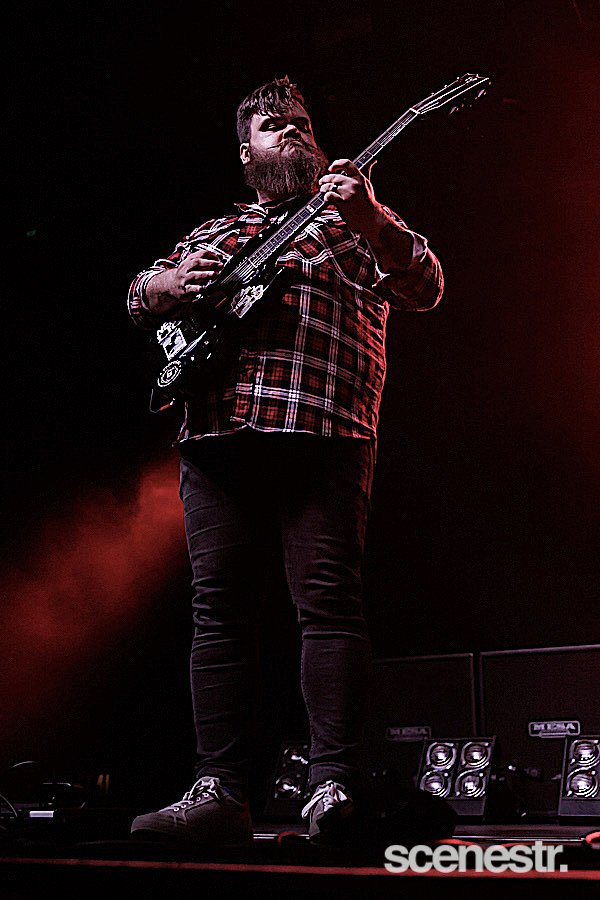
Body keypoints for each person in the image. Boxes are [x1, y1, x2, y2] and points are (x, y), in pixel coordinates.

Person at [126, 75, 443, 847]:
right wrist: (165, 284)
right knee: (218, 613)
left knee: (327, 606)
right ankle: (218, 792)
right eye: (272, 125)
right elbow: (138, 297)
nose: (290, 130)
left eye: (299, 122)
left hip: (324, 427)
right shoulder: (216, 231)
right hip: (217, 433)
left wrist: (370, 217)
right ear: (247, 153)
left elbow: (425, 286)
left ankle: (332, 788)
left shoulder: (351, 218)